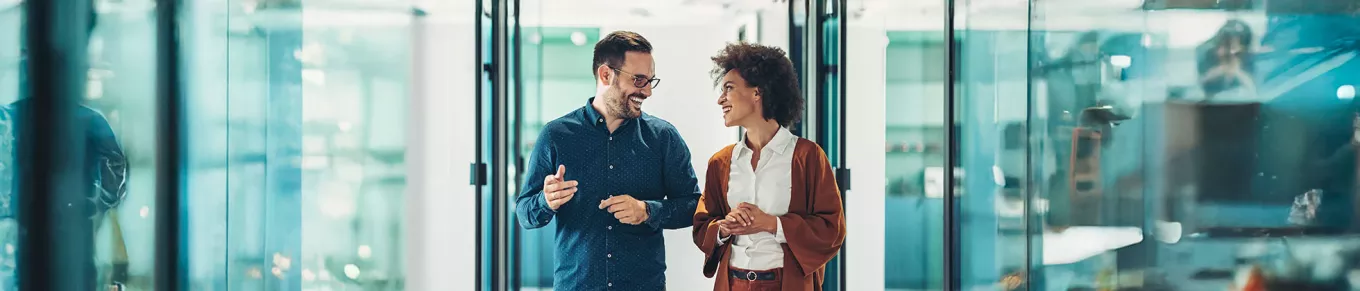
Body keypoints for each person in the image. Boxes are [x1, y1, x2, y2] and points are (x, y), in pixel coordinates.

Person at [514, 30, 701, 290]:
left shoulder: (663, 138)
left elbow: (695, 206)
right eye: (638, 80)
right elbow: (524, 213)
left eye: (650, 81)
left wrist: (648, 211)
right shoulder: (556, 135)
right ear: (605, 75)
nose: (647, 91)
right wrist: (546, 201)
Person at [692, 43, 845, 291]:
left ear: (757, 92)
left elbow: (831, 229)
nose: (721, 99)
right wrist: (724, 228)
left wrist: (770, 223)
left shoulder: (807, 157)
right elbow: (702, 227)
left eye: (728, 89)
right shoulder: (720, 162)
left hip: (786, 284)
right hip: (733, 283)